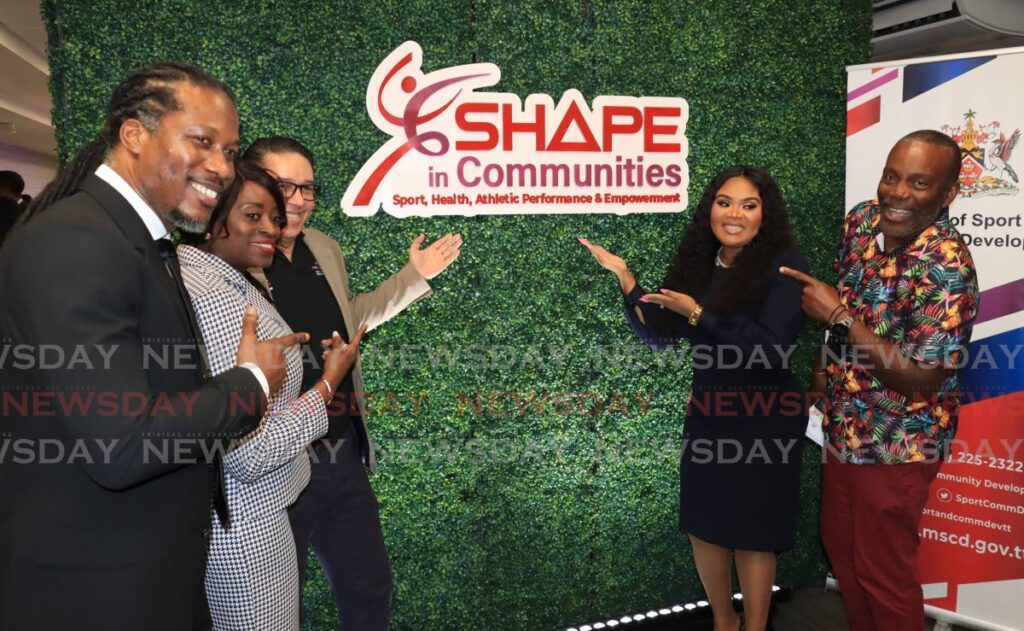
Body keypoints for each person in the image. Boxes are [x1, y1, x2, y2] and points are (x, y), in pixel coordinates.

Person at [0, 63, 303, 631]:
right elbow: (123, 444)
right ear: (134, 135)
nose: (220, 166)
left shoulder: (134, 240)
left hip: (147, 577)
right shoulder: (77, 241)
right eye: (202, 141)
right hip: (96, 591)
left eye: (230, 149)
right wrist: (252, 383)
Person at [242, 136, 462, 629]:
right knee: (276, 610)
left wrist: (413, 276)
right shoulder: (235, 261)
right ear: (251, 186)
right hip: (275, 464)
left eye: (307, 188)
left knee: (369, 587)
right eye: (284, 186)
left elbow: (351, 314)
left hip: (340, 451)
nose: (297, 200)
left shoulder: (322, 246)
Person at [581, 165, 808, 631]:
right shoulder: (700, 262)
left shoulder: (784, 265)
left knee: (753, 537)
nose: (735, 215)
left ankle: (755, 627)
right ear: (710, 209)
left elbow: (771, 349)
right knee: (704, 528)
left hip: (765, 418)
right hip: (710, 415)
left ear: (766, 214)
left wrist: (699, 314)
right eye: (725, 203)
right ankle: (724, 622)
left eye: (749, 205)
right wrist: (626, 278)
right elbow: (661, 334)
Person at [780, 130, 979, 631]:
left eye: (918, 183)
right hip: (843, 427)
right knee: (842, 551)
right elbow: (840, 301)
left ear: (948, 193)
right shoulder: (862, 221)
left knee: (883, 573)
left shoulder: (947, 268)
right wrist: (823, 373)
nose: (898, 193)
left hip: (899, 445)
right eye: (892, 177)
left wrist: (841, 317)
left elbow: (924, 378)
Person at [179, 160, 364, 630]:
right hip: (246, 522)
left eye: (274, 218)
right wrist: (326, 384)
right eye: (253, 215)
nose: (270, 228)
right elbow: (249, 452)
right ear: (212, 214)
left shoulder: (223, 276)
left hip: (245, 512)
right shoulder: (216, 295)